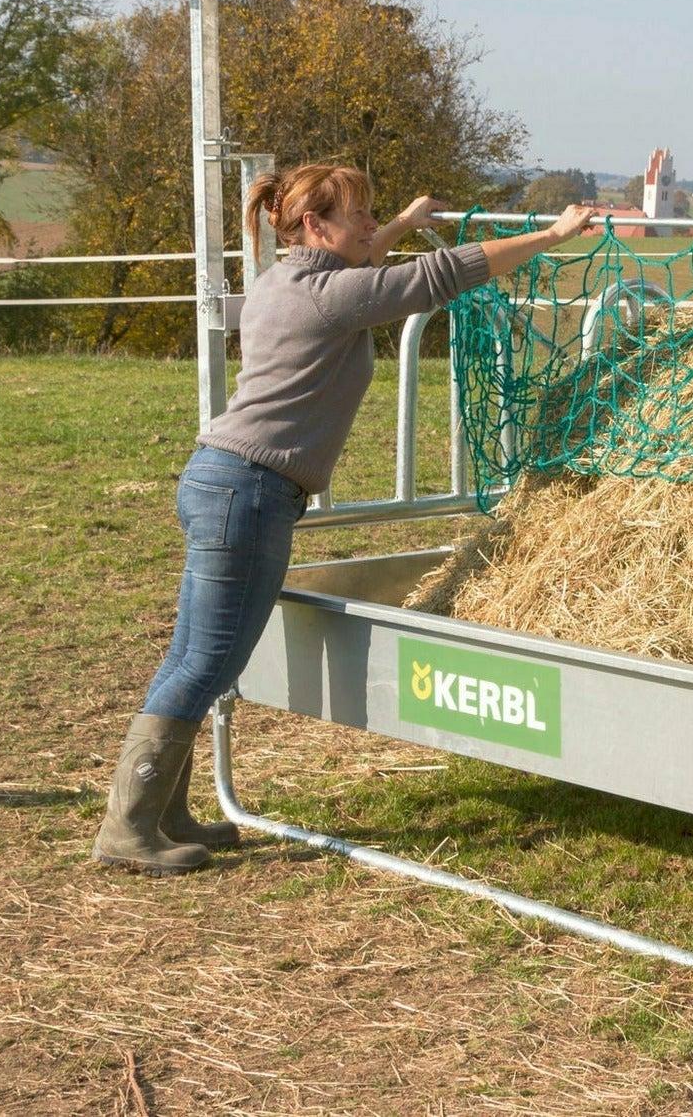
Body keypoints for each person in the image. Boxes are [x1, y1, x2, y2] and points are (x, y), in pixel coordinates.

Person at [92, 162, 595, 875]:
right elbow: (437, 277)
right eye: (360, 214)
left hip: (230, 481)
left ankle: (162, 812)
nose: (370, 226)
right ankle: (129, 828)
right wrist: (552, 233)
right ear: (315, 227)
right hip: (248, 492)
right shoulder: (330, 297)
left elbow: (366, 261)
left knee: (197, 658)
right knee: (205, 662)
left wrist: (406, 221)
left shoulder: (283, 280)